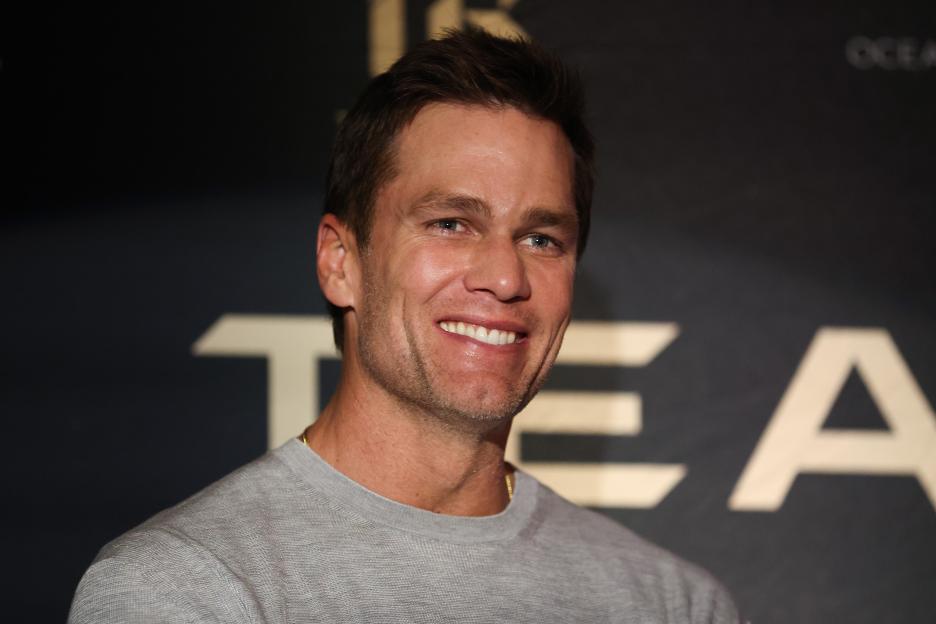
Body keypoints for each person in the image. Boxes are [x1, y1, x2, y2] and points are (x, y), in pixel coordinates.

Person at [69, 28, 741, 623]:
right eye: (451, 224)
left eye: (541, 238)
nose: (505, 278)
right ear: (341, 263)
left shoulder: (672, 606)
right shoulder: (187, 590)